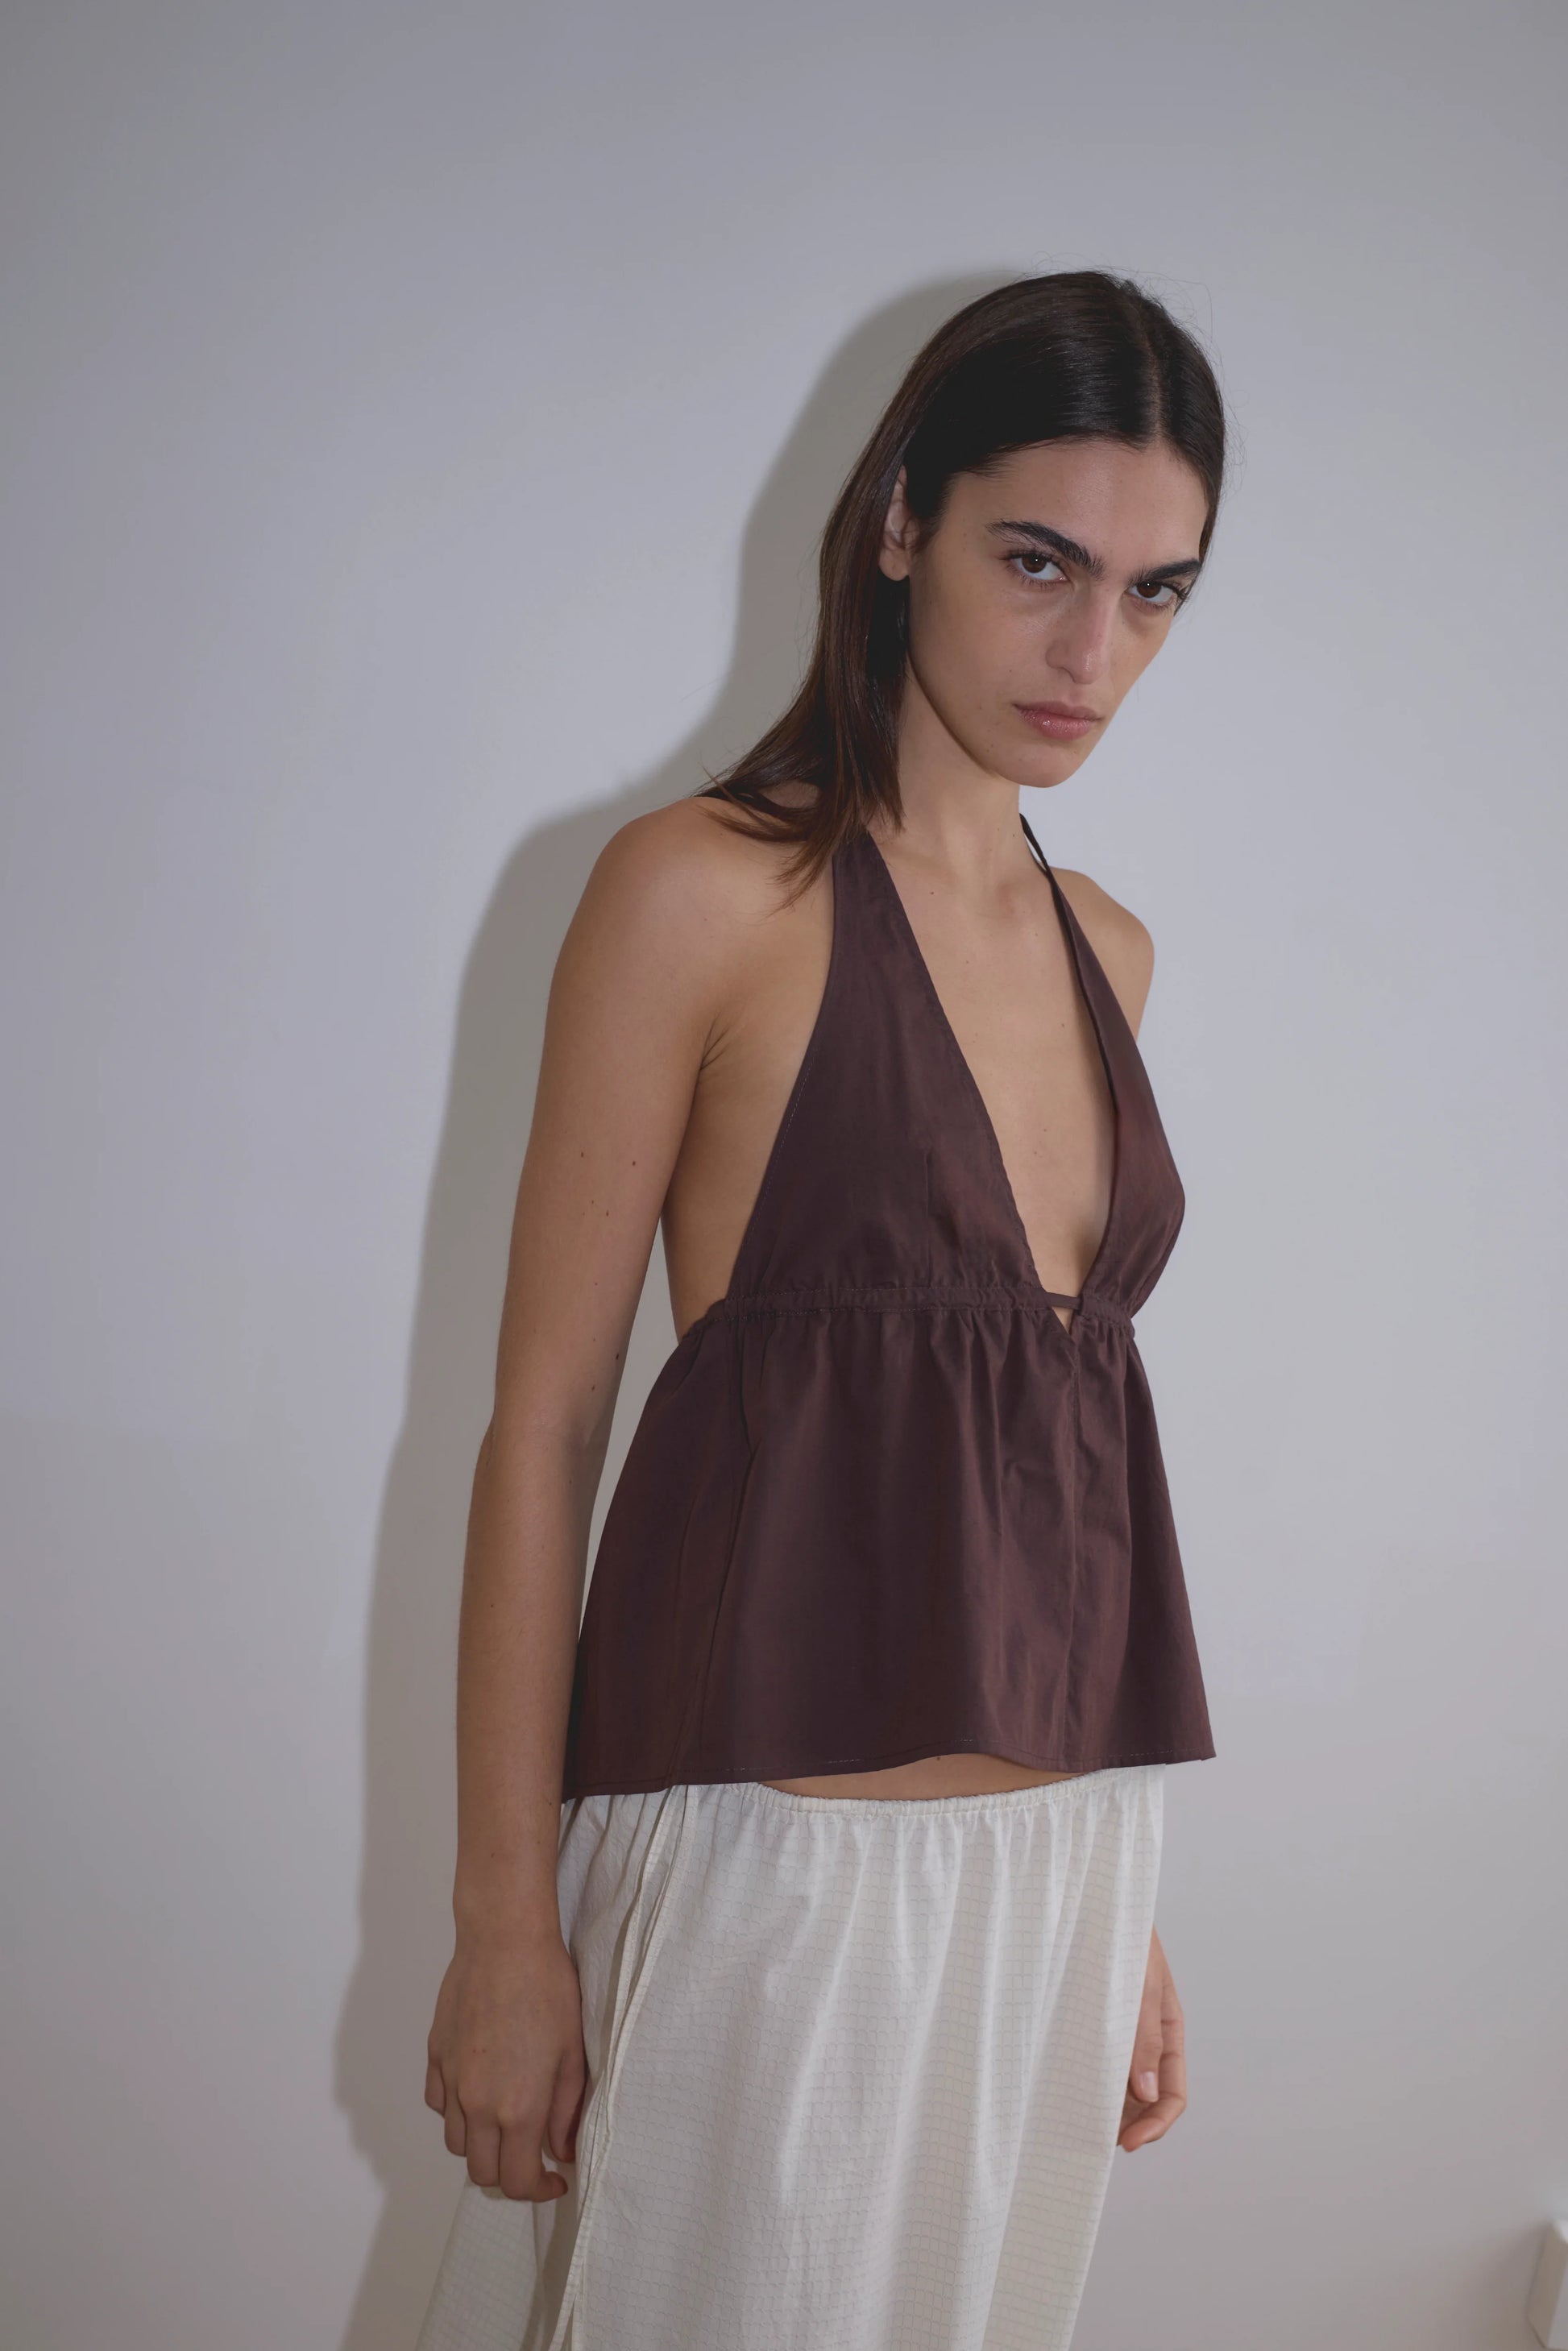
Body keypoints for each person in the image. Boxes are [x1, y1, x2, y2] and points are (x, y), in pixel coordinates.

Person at [417, 269, 1224, 2351]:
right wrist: (504, 1923)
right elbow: (541, 1430)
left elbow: (1045, 1461)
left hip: (1058, 1881)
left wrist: (1119, 1914)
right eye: (1037, 562)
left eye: (1153, 592)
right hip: (765, 1868)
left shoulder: (1111, 954)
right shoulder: (698, 894)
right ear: (897, 526)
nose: (1093, 651)